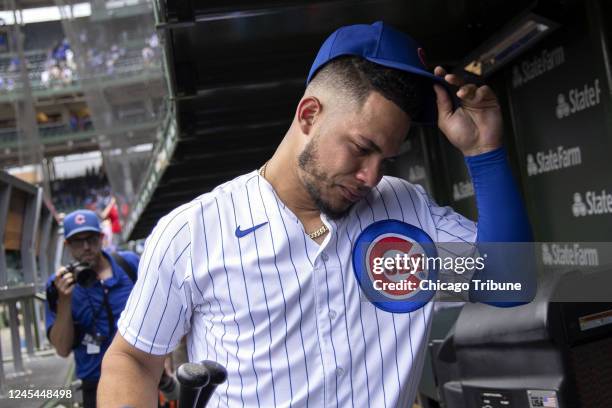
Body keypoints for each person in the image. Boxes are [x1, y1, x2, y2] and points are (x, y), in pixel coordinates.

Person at [99, 21, 532, 407]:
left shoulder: (407, 207)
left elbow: (510, 284)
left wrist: (484, 153)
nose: (371, 176)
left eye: (386, 159)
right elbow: (132, 359)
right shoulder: (193, 231)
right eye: (362, 149)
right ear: (309, 114)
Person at [45, 209, 140, 408]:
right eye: (78, 242)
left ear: (101, 237)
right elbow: (62, 349)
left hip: (138, 374)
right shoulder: (59, 285)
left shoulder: (129, 264)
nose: (86, 247)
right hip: (94, 384)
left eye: (91, 239)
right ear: (67, 246)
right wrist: (65, 301)